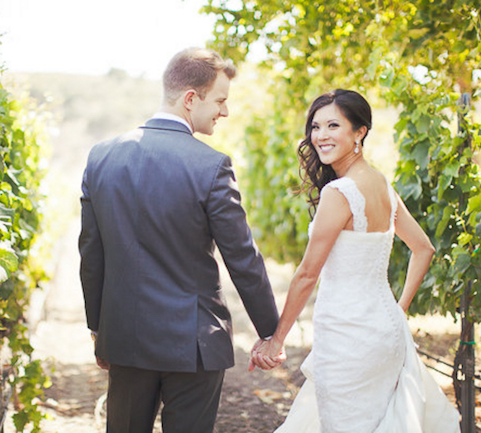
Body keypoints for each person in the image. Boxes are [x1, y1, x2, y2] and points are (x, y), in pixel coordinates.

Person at [79, 47, 280, 433]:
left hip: (125, 337)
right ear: (191, 99)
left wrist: (99, 328)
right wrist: (270, 332)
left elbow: (91, 252)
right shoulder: (211, 165)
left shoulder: (101, 157)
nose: (224, 112)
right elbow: (242, 257)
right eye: (220, 100)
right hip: (195, 344)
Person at [251, 89, 460, 432]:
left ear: (359, 132)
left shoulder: (340, 193)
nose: (320, 135)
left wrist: (277, 339)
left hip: (346, 337)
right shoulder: (380, 183)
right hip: (386, 331)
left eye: (333, 125)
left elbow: (307, 274)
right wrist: (400, 308)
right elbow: (424, 248)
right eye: (316, 127)